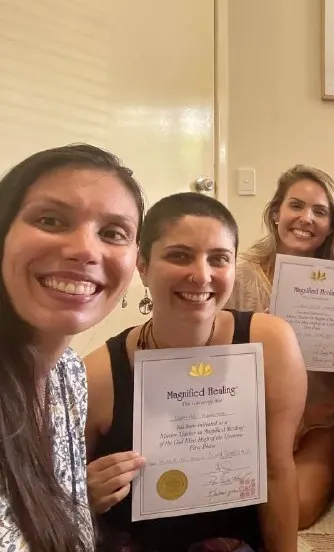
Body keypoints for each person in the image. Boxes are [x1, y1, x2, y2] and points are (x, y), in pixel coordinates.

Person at [84, 192, 307, 552]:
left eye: (218, 259)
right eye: (179, 255)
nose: (201, 275)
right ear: (142, 265)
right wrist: (81, 497)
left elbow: (277, 471)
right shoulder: (97, 374)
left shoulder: (271, 343)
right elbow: (52, 503)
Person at [0, 144, 144, 552]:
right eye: (50, 220)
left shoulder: (68, 372)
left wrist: (78, 501)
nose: (84, 250)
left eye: (112, 233)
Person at [228, 165, 334, 528]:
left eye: (320, 212)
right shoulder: (239, 275)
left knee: (294, 512)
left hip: (318, 413)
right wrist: (262, 335)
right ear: (276, 213)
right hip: (251, 417)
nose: (306, 218)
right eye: (296, 206)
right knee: (230, 498)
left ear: (330, 226)